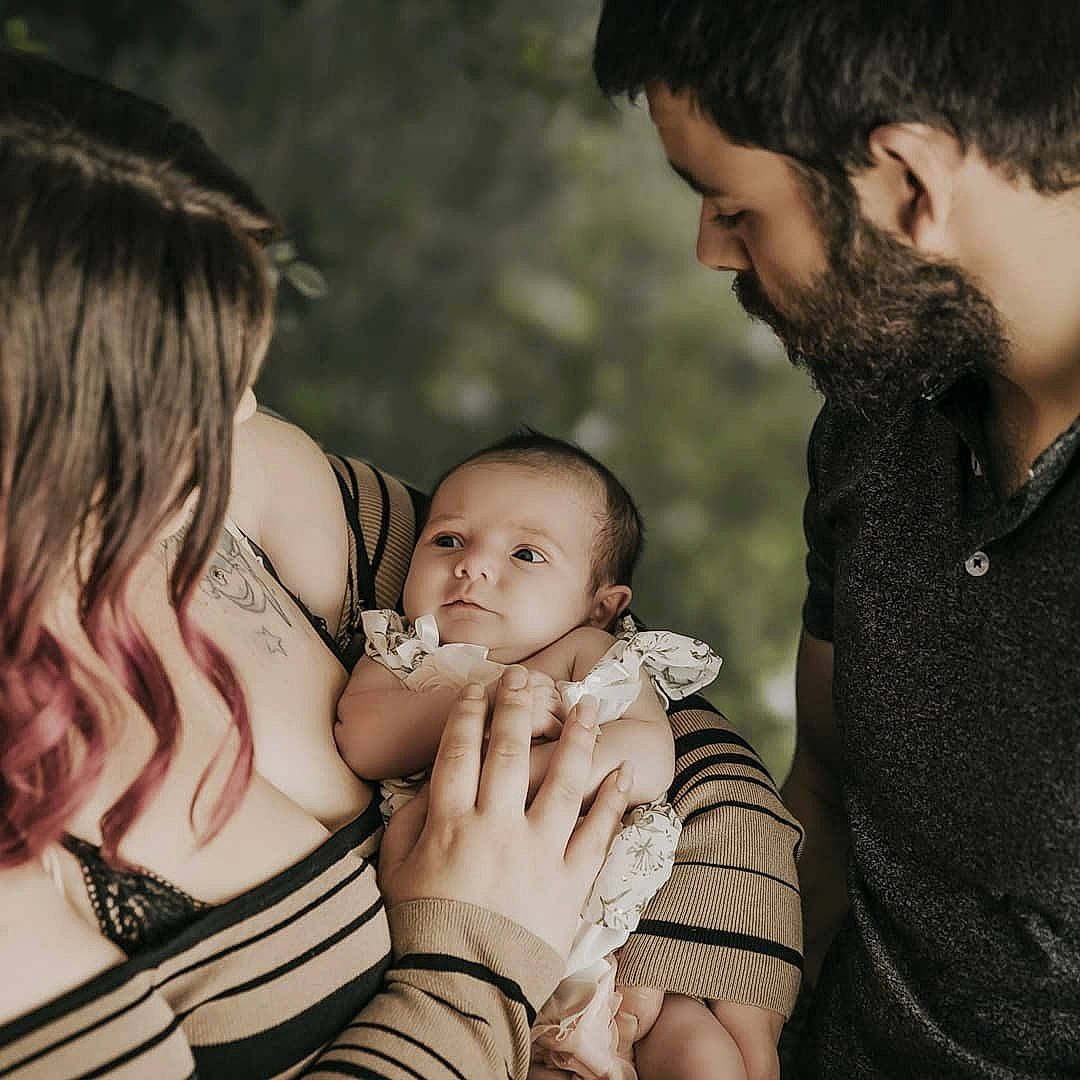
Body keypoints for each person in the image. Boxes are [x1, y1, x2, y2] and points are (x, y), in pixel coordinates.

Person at [0, 48, 802, 1079]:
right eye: (193, 394)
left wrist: (710, 932)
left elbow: (591, 638)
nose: (245, 415)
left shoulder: (235, 487)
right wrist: (480, 955)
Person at [593, 2, 1080, 1078]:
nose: (710, 249)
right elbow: (824, 791)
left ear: (910, 180)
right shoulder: (880, 415)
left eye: (733, 207)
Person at [337, 430, 747, 1079]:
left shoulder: (592, 653)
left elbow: (649, 755)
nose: (473, 566)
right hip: (458, 926)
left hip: (613, 947)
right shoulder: (406, 651)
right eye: (448, 540)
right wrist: (486, 699)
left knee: (701, 1052)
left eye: (526, 553)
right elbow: (362, 738)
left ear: (601, 605)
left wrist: (526, 770)